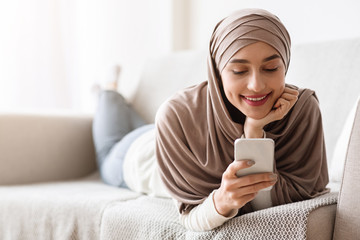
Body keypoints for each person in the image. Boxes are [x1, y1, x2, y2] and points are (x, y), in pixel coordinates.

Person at [92, 8, 329, 232]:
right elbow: (191, 216)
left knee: (133, 127)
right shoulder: (176, 115)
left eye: (271, 68)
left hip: (171, 133)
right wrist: (222, 200)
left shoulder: (302, 108)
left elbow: (275, 200)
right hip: (141, 156)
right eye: (239, 71)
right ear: (217, 72)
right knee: (109, 148)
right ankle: (108, 91)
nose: (256, 85)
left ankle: (113, 96)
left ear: (285, 65)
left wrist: (254, 130)